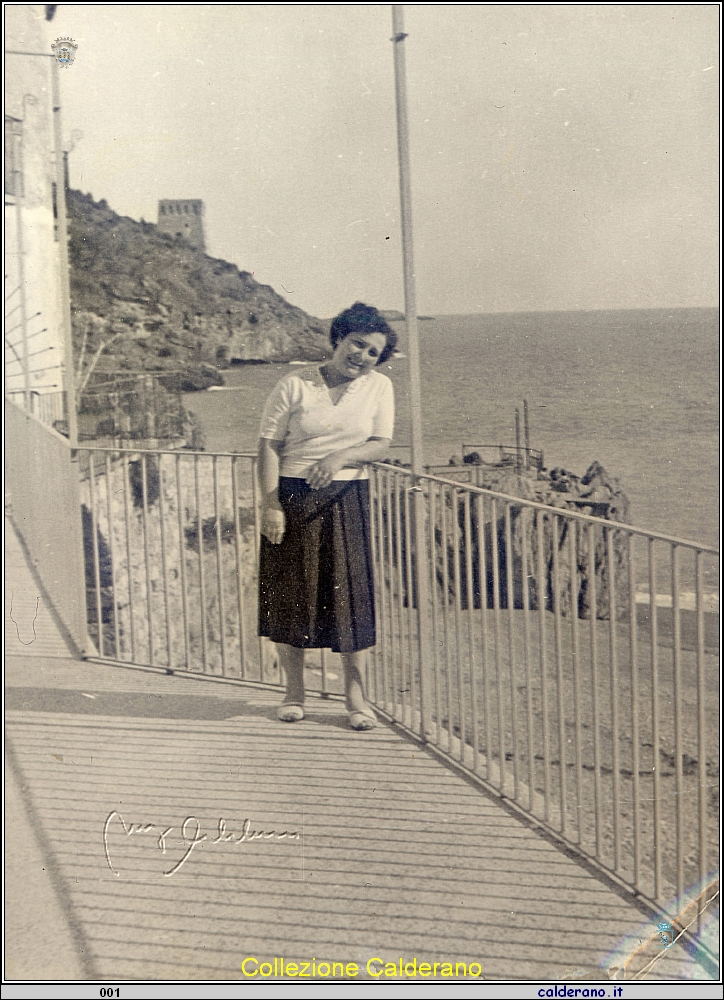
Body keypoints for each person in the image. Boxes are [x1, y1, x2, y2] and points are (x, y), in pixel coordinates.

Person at [257, 302, 396, 730]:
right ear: (338, 339)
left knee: (351, 600)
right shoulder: (294, 384)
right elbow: (267, 446)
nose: (363, 356)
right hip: (294, 497)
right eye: (357, 344)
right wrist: (270, 504)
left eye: (373, 352)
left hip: (347, 497)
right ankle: (294, 693)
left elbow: (380, 443)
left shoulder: (379, 387)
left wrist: (341, 457)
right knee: (290, 597)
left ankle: (356, 700)